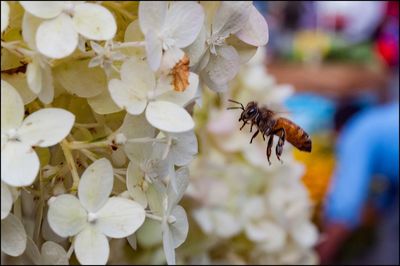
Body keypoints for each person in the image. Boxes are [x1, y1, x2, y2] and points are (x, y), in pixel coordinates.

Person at [317, 101, 399, 264]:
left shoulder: (357, 131)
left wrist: (319, 257)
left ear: (338, 130)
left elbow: (345, 206)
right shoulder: (379, 123)